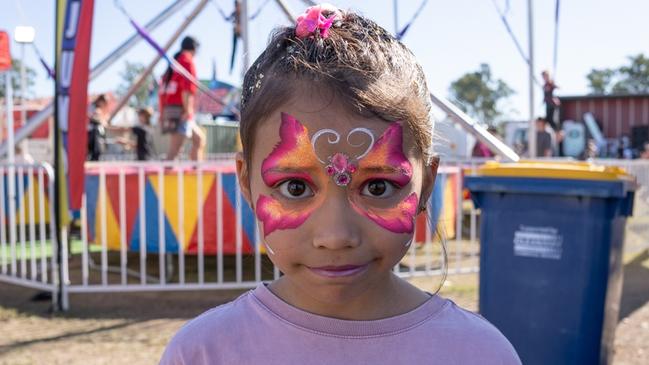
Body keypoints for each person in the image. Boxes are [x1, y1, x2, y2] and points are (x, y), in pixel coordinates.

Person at [159, 5, 520, 365]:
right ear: (246, 183)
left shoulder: (480, 354)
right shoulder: (202, 354)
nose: (335, 236)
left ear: (426, 185)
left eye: (378, 187)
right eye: (295, 188)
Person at [159, 36, 206, 161]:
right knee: (175, 149)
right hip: (180, 110)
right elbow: (187, 89)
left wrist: (162, 113)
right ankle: (165, 176)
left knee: (199, 139)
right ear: (194, 49)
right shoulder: (187, 61)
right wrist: (188, 109)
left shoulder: (175, 62)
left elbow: (163, 90)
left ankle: (196, 170)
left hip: (171, 109)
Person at [87, 94, 109, 161]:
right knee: (94, 148)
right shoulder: (92, 106)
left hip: (97, 131)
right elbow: (91, 116)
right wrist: (99, 119)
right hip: (92, 131)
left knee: (98, 148)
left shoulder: (98, 108)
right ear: (100, 100)